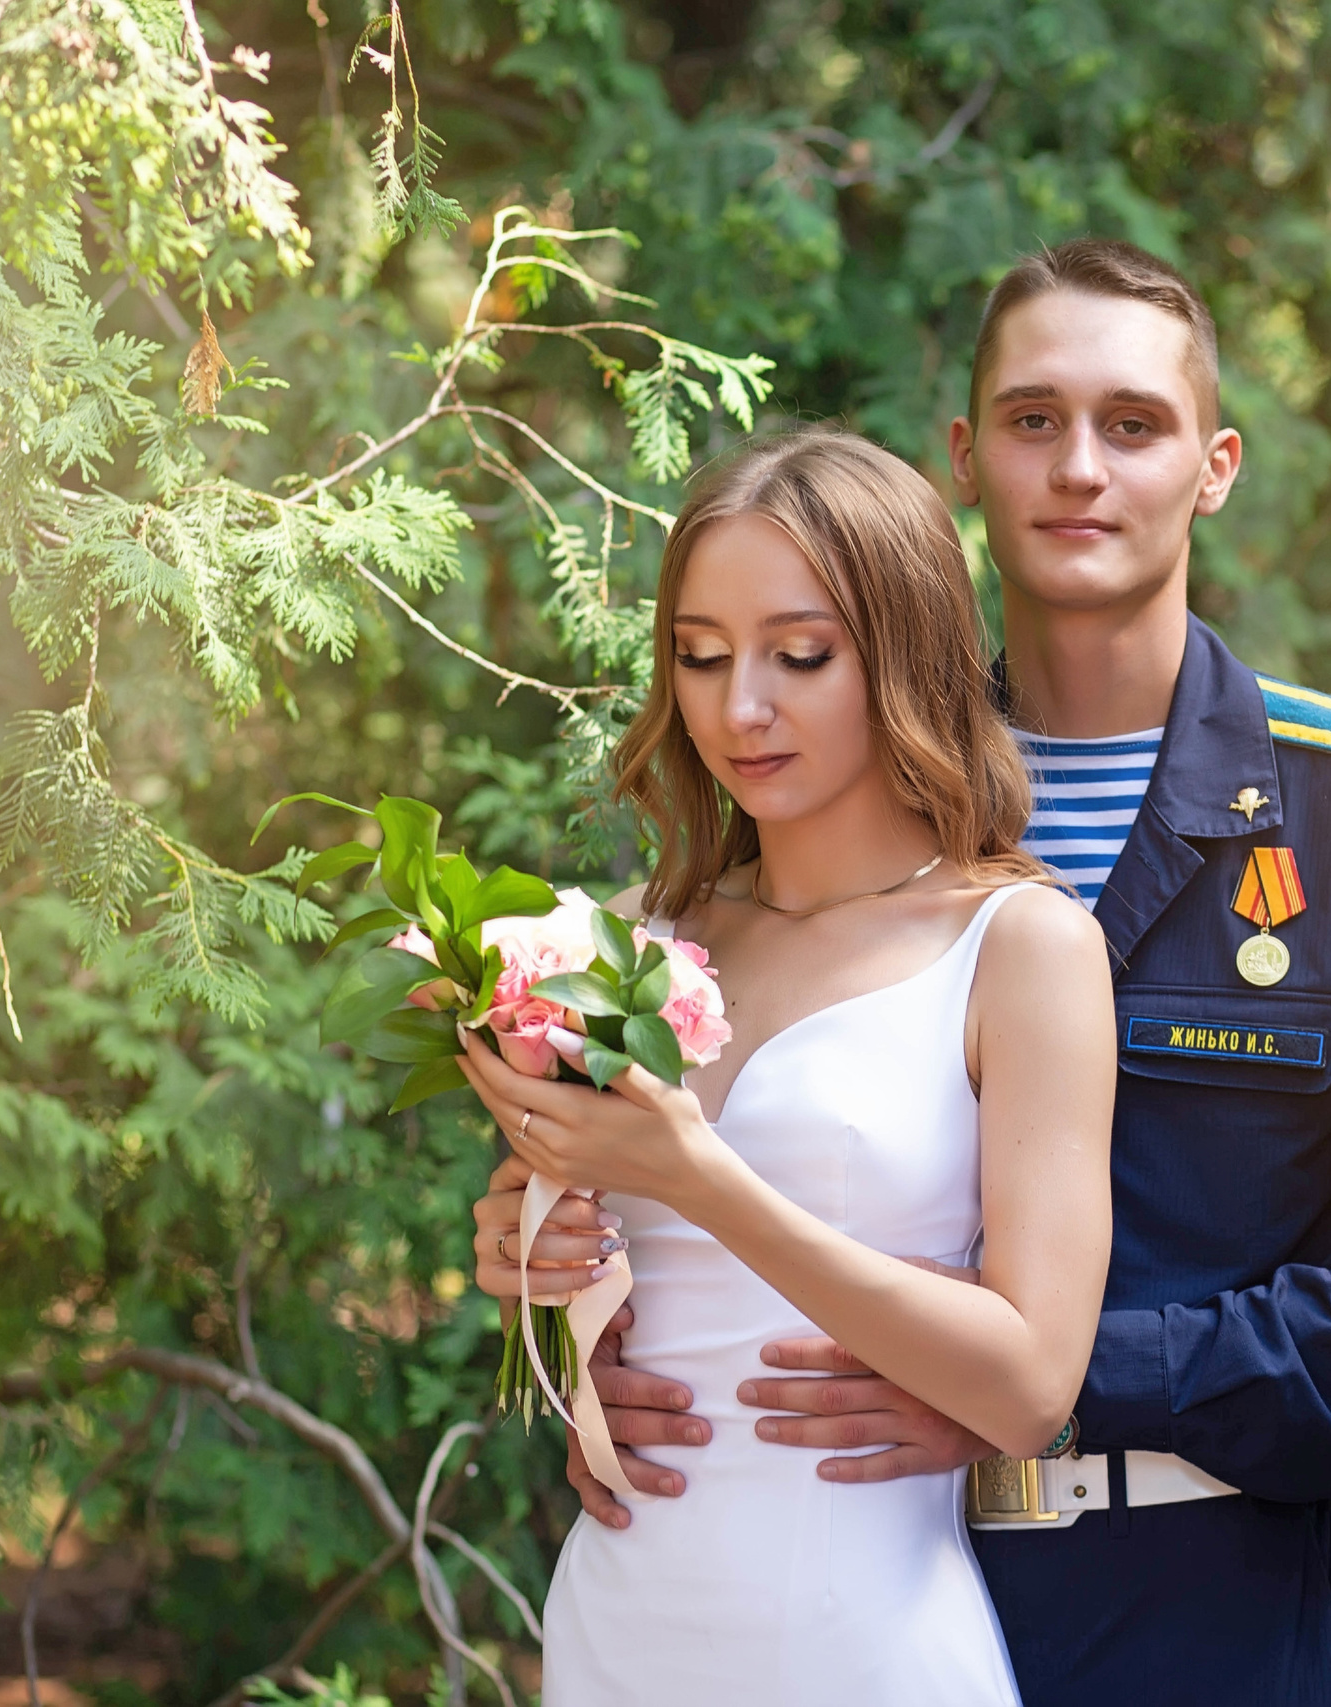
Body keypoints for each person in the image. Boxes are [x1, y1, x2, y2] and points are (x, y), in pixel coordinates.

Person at [479, 239, 1331, 1704]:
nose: (1079, 468)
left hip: (1191, 1615)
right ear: (966, 457)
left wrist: (1054, 1386)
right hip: (822, 1595)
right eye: (1034, 419)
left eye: (1134, 423)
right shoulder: (828, 771)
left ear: (1215, 466)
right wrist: (584, 1300)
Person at [453, 428, 1116, 1706]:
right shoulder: (621, 942)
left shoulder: (1020, 947)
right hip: (620, 1624)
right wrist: (531, 1265)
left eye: (799, 655)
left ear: (905, 652)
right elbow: (602, 1306)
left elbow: (1033, 1388)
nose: (737, 708)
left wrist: (699, 1181)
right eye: (700, 656)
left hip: (862, 1640)